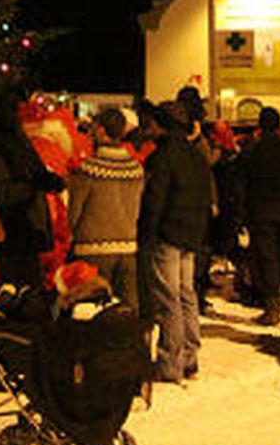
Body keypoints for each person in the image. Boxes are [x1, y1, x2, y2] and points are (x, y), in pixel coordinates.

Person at [138, 99, 211, 384]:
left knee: (168, 300)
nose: (150, 127)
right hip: (191, 235)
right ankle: (190, 358)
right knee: (186, 295)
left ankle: (170, 363)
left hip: (167, 235)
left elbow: (154, 201)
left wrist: (146, 235)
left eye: (154, 122)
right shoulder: (197, 157)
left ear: (163, 125)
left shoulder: (161, 158)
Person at [0, 89, 63, 287]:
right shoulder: (1, 151)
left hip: (25, 229)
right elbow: (1, 194)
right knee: (21, 287)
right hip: (14, 231)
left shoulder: (15, 146)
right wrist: (35, 185)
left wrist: (46, 181)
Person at [66, 107, 146, 312]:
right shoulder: (136, 169)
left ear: (101, 130)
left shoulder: (89, 169)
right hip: (128, 248)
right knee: (127, 314)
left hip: (92, 250)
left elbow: (73, 213)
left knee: (92, 312)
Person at [236, 106, 280, 327]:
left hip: (262, 212)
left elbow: (242, 185)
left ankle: (273, 309)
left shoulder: (253, 152)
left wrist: (243, 214)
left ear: (260, 125)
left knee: (267, 260)